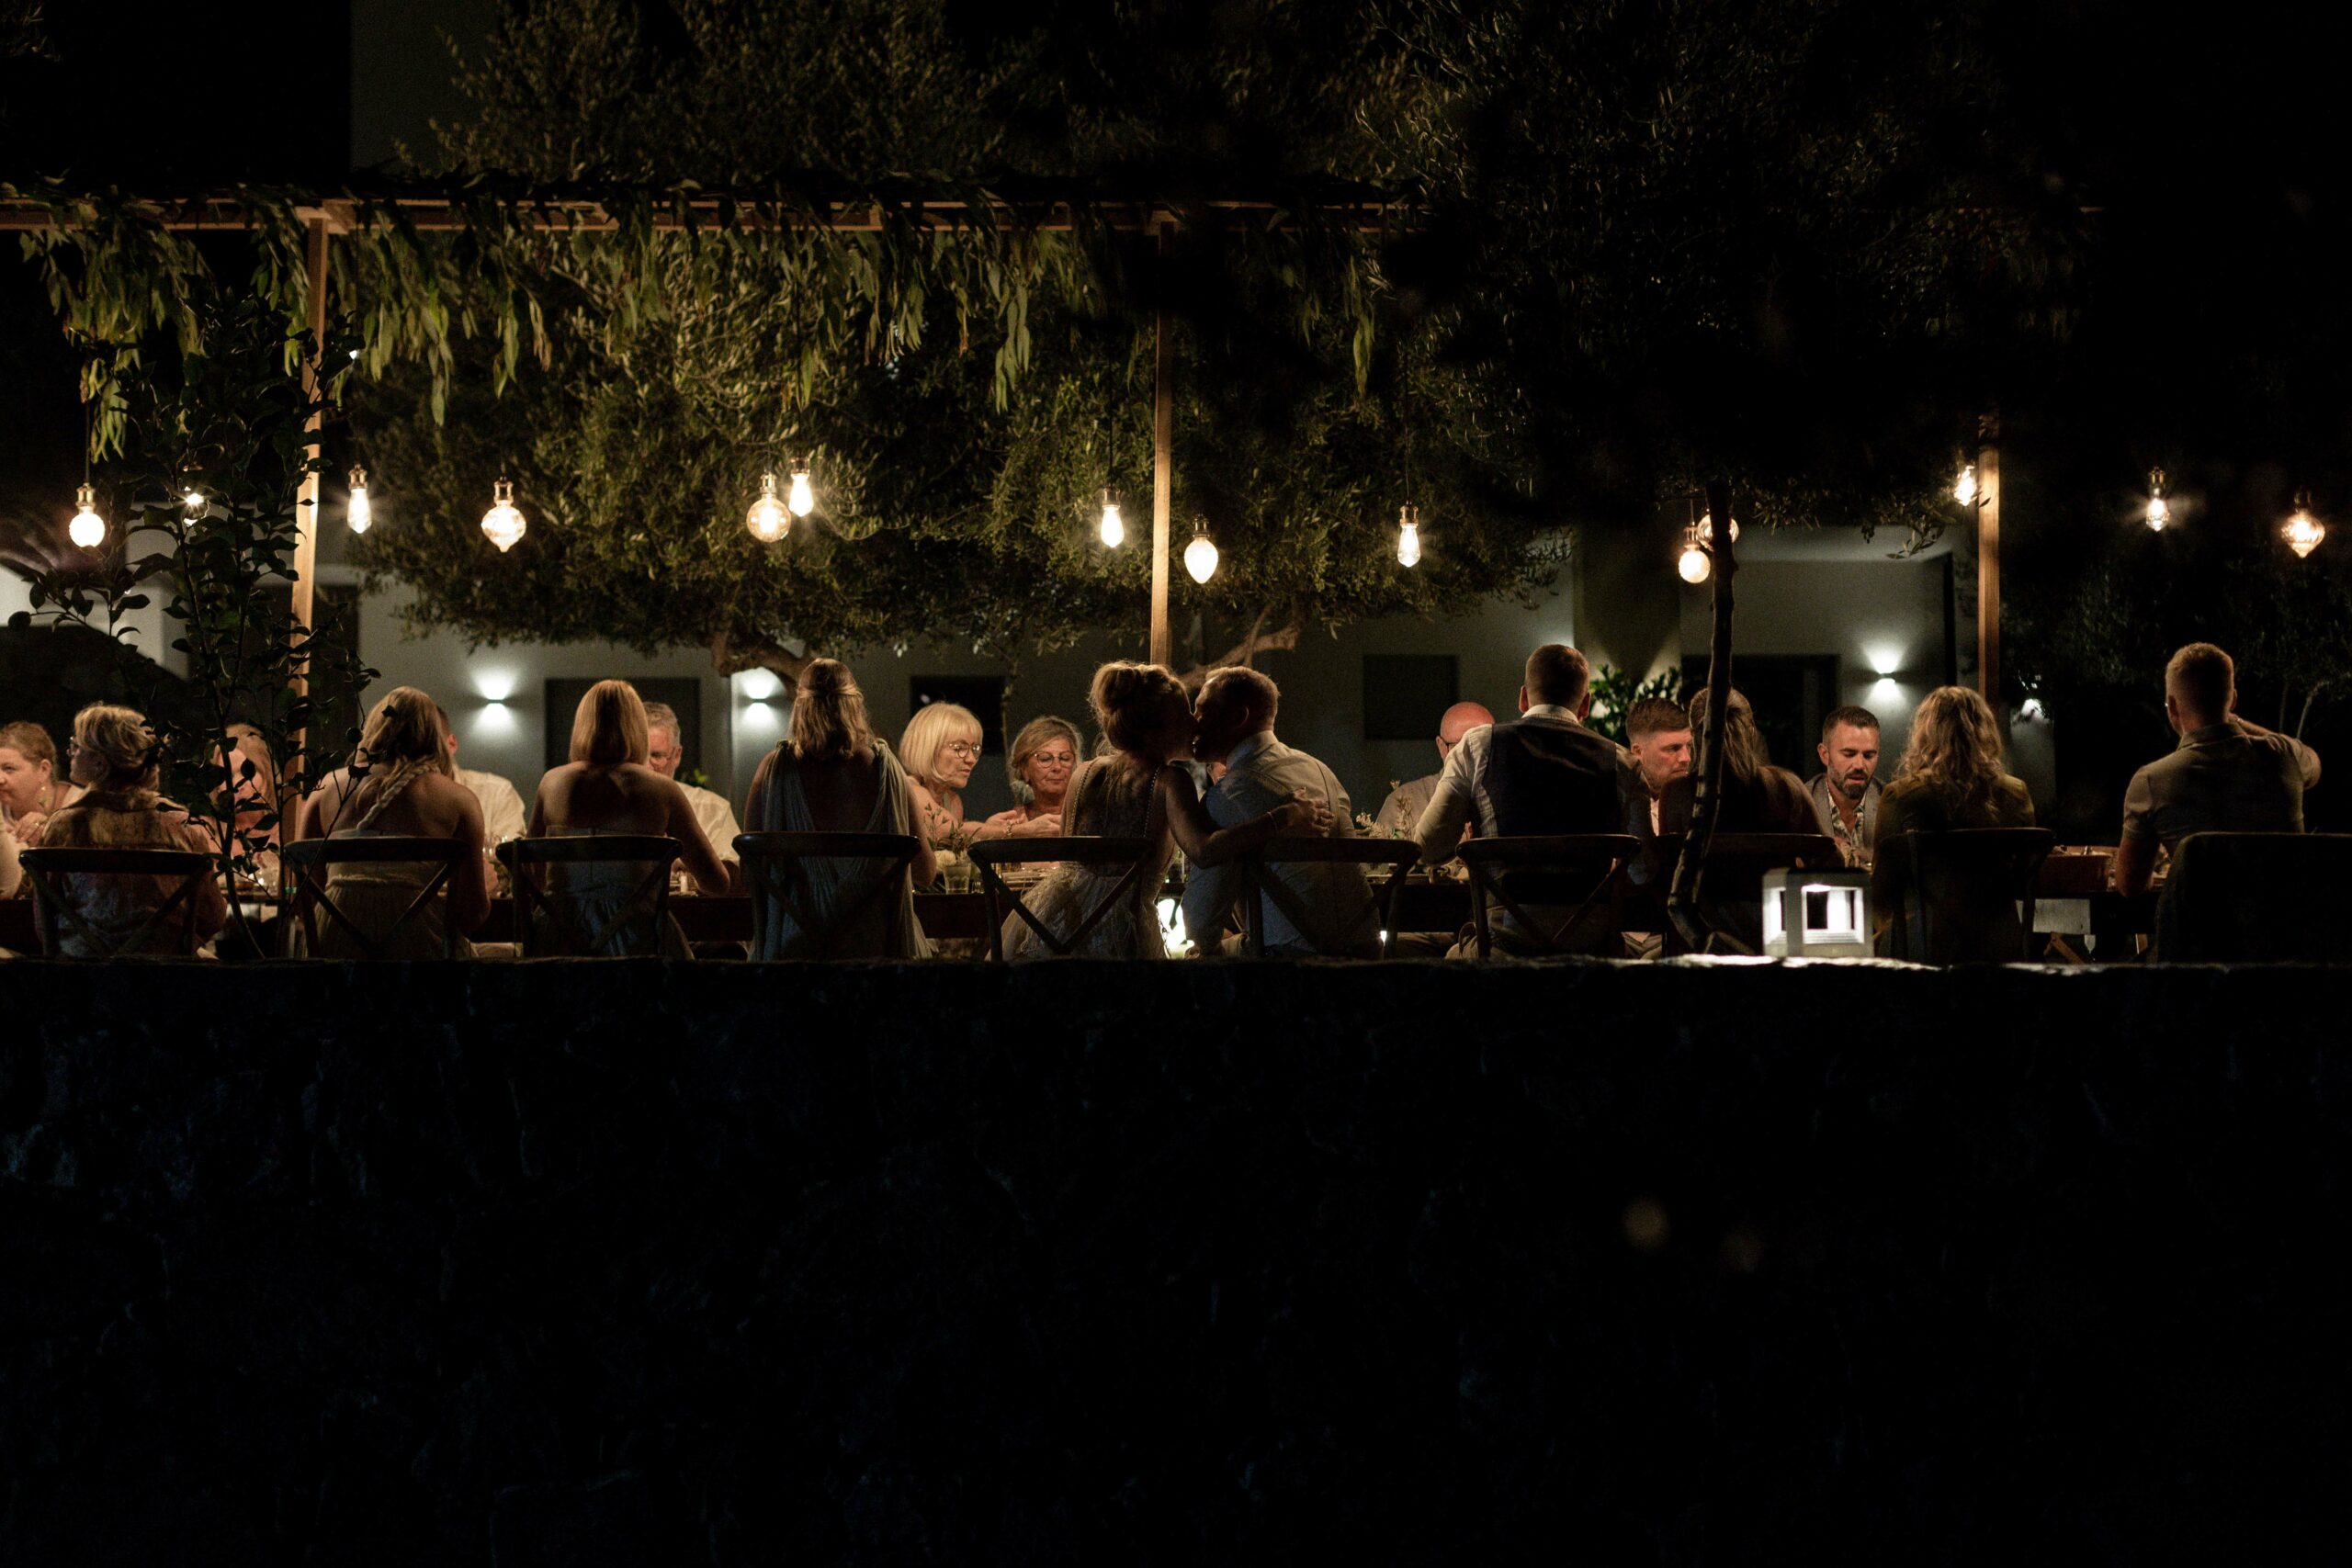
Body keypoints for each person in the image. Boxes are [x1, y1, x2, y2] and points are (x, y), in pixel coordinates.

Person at [1005, 661, 1328, 960]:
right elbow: (1204, 850)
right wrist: (1282, 817)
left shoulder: (1085, 771)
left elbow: (1070, 856)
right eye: (1185, 715)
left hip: (1057, 924)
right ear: (1155, 729)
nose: (1194, 722)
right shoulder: (1169, 780)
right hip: (1121, 934)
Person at [1412, 644, 1645, 955]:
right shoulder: (1622, 763)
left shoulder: (1477, 747)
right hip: (1593, 949)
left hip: (1501, 948)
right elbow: (1644, 871)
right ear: (1585, 704)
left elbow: (1427, 847)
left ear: (1523, 697)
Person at [741, 659, 934, 959]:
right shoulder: (887, 770)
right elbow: (925, 873)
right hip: (879, 953)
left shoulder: (773, 771)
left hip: (793, 957)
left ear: (800, 707)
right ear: (855, 705)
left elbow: (749, 875)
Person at [1183, 666, 1379, 957]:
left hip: (1287, 961)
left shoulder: (1230, 793)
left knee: (1196, 956)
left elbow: (1200, 923)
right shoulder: (1320, 770)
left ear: (1238, 717)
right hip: (1366, 950)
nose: (1193, 723)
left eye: (1202, 711)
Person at [526, 680, 730, 955]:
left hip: (559, 945)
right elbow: (717, 883)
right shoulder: (661, 790)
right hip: (639, 946)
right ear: (637, 729)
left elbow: (531, 878)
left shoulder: (551, 784)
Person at [2112, 642, 2323, 897]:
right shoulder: (2285, 756)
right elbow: (2314, 763)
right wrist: (2238, 723)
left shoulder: (2152, 781)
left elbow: (2129, 886)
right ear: (2233, 699)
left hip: (2202, 935)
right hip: (2286, 932)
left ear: (2173, 705)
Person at [300, 688, 493, 957]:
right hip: (423, 954)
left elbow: (303, 901)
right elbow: (471, 916)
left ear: (373, 729)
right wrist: (487, 885)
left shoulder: (328, 789)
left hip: (333, 954)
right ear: (433, 735)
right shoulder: (459, 800)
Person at [31, 704, 228, 958]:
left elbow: (43, 925)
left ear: (100, 763)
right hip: (166, 982)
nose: (70, 753)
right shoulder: (181, 824)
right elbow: (213, 917)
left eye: (76, 746)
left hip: (82, 981)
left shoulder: (63, 827)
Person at [1871, 684, 2038, 955]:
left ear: (1924, 735)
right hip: (2000, 945)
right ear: (1984, 733)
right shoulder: (2015, 793)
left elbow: (1882, 892)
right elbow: (2026, 875)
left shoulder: (1902, 797)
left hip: (1923, 948)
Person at [902, 702, 1060, 849]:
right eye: (960, 748)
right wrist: (1019, 830)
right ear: (929, 748)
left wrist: (989, 828)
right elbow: (948, 831)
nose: (971, 759)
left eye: (975, 749)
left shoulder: (952, 801)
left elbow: (954, 843)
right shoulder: (912, 790)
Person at [643, 700, 744, 879]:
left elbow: (735, 879)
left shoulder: (714, 809)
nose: (647, 767)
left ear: (676, 755)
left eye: (656, 756)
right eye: (640, 755)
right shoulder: (613, 808)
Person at [1374, 701, 1495, 834]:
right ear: (1442, 747)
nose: (1475, 758)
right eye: (1460, 748)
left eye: (1485, 746)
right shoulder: (1404, 803)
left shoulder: (1514, 796)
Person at [434, 705, 528, 846]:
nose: (420, 756)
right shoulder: (396, 799)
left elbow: (509, 860)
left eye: (431, 744)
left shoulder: (496, 792)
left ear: (451, 744)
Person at [1807, 705, 1884, 864]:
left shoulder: (1889, 801)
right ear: (1824, 754)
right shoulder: (1803, 803)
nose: (1859, 765)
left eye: (1869, 755)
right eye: (1849, 754)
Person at [987, 716, 1084, 829]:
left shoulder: (1091, 816)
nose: (1057, 767)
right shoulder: (1011, 823)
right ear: (1024, 769)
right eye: (1045, 759)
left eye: (1065, 758)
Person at [0, 720, 86, 847]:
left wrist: (51, 830)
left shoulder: (81, 807)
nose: (0, 779)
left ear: (44, 769)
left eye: (9, 768)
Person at [1624, 696, 1693, 835]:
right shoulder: (1618, 806)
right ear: (1638, 752)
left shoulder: (1701, 801)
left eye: (1690, 747)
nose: (1686, 758)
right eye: (1673, 748)